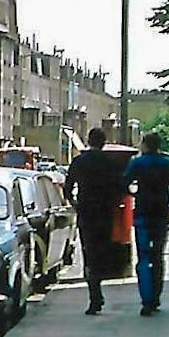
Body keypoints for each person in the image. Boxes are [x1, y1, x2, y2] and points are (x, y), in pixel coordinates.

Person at [123, 132, 169, 316]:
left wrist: (134, 192)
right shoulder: (166, 164)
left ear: (144, 144)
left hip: (142, 213)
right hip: (161, 215)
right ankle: (156, 296)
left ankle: (146, 299)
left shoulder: (137, 163)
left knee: (143, 257)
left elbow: (124, 183)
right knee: (157, 256)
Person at [63, 128, 120, 315]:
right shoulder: (110, 163)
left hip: (86, 212)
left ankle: (94, 295)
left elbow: (67, 187)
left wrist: (75, 203)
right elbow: (119, 188)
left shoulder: (80, 161)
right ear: (104, 142)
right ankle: (98, 288)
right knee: (102, 252)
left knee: (89, 252)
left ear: (88, 141)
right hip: (105, 213)